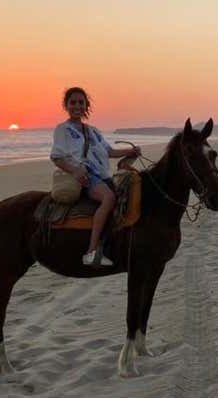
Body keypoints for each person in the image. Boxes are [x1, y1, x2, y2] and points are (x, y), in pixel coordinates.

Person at [50, 87, 141, 267]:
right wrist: (75, 171)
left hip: (102, 176)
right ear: (66, 106)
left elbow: (109, 152)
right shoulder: (62, 130)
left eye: (81, 102)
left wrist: (131, 151)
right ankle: (91, 252)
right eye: (73, 102)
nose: (77, 106)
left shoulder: (93, 131)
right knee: (108, 198)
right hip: (84, 177)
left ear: (86, 106)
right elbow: (56, 157)